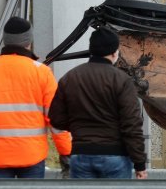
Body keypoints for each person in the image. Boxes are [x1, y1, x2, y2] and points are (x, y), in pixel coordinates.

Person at [0, 16, 72, 178]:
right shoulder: (42, 72)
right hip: (32, 155)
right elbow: (56, 118)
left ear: (5, 41)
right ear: (29, 42)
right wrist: (66, 152)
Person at [49, 27, 148, 179]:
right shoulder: (122, 81)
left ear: (91, 50)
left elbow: (56, 119)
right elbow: (132, 125)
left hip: (80, 155)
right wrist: (140, 164)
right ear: (115, 53)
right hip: (116, 157)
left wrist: (78, 124)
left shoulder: (70, 78)